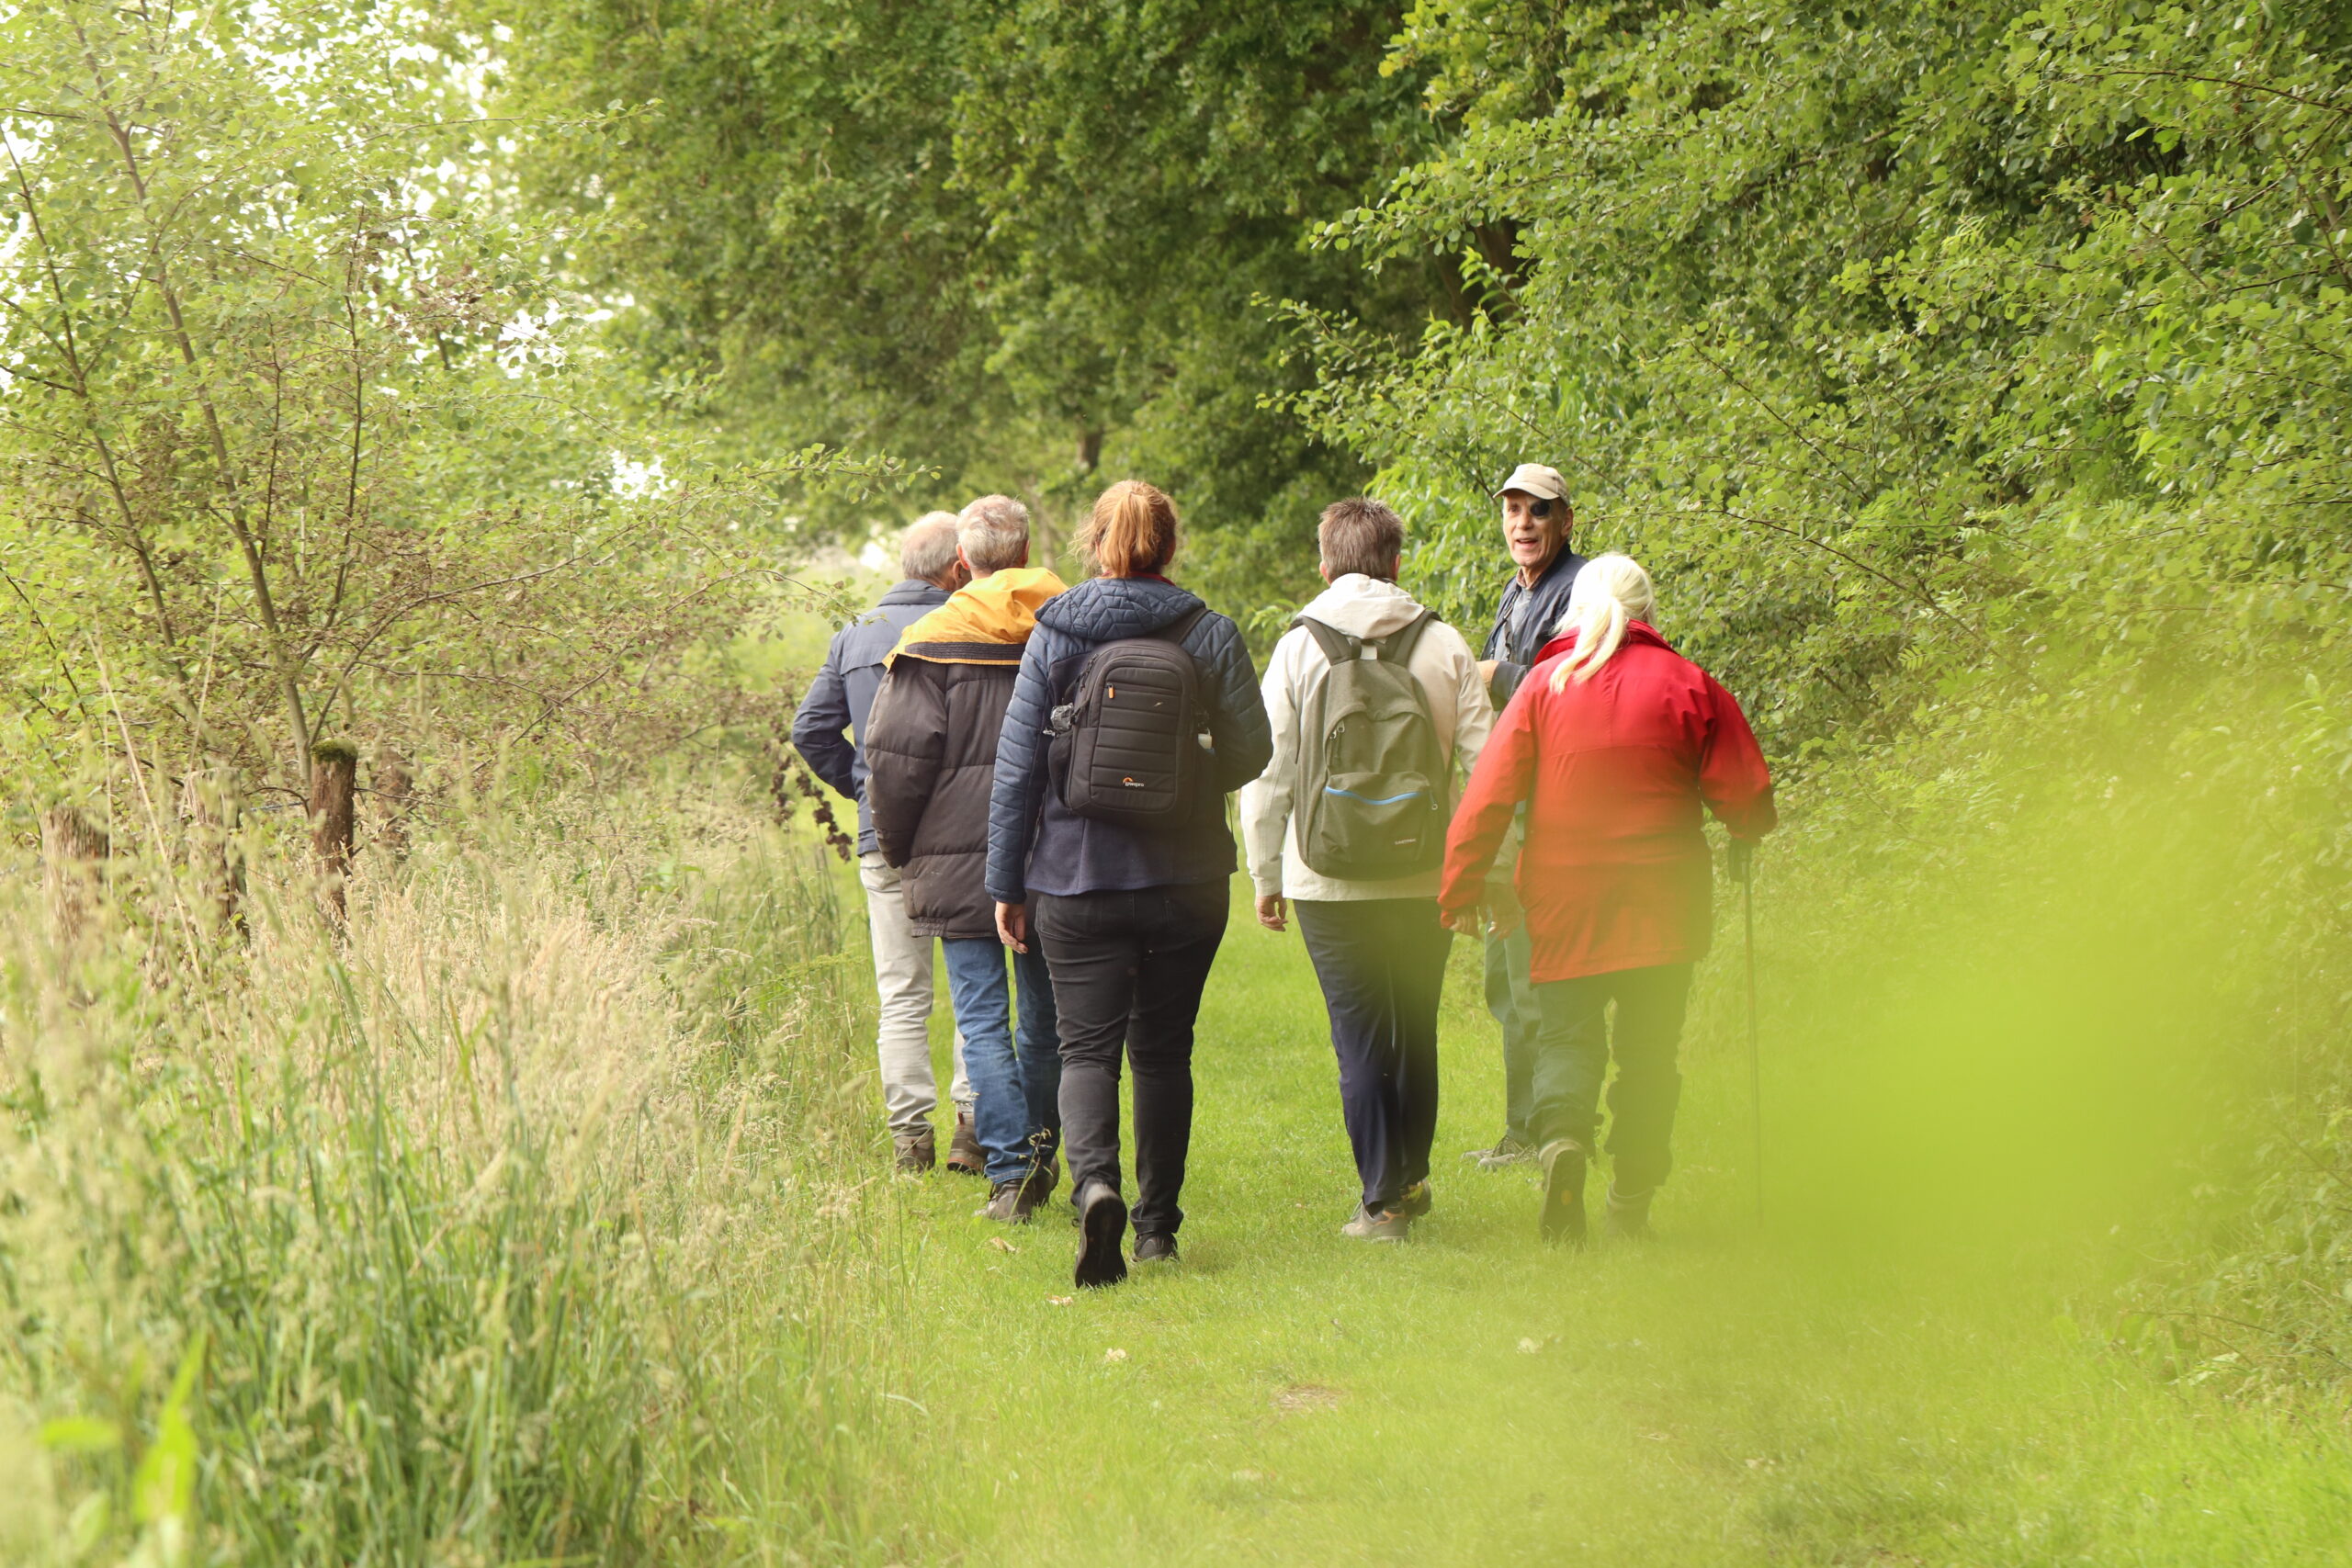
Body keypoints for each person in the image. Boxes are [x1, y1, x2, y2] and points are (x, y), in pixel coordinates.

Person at [1439, 555, 1776, 1246]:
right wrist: (1748, 829)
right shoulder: (1691, 684)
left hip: (1565, 900)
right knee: (1652, 1054)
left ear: (1576, 611)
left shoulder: (1543, 685)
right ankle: (1631, 1199)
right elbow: (1745, 795)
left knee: (1566, 1035)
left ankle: (1562, 1141)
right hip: (1665, 903)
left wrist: (1460, 886)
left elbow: (1488, 796)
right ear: (1648, 611)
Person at [988, 479, 1272, 1288]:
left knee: (1086, 1048)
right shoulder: (1208, 630)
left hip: (1075, 879)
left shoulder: (1054, 632)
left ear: (1096, 541)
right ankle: (1155, 1231)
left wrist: (1005, 880)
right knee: (1163, 1051)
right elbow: (1254, 751)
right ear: (1170, 546)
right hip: (1184, 875)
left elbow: (1016, 773)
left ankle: (1096, 1186)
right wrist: (1187, 774)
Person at [1239, 498, 1493, 1243]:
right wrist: (1484, 870)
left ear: (1324, 565)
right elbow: (1485, 768)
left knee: (1358, 1033)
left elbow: (1268, 771)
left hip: (1328, 876)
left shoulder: (1298, 648)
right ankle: (1409, 1178)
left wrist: (1265, 871)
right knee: (1414, 1024)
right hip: (1426, 873)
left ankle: (1382, 1200)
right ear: (1396, 562)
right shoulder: (1444, 643)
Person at [865, 497, 1068, 1223]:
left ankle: (1010, 1175)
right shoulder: (1066, 620)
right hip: (1053, 853)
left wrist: (898, 850)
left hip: (955, 861)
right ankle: (1042, 1155)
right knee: (1043, 1018)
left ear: (965, 561)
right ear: (1025, 551)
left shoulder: (930, 638)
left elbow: (894, 763)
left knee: (981, 1018)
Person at [791, 513, 979, 1174]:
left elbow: (809, 729)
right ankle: (972, 1126)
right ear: (958, 566)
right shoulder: (970, 627)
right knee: (972, 986)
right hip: (964, 836)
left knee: (903, 992)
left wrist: (864, 789)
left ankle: (910, 1141)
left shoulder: (855, 634)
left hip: (885, 840)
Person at [1465, 462, 1590, 1171]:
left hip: (1551, 818)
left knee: (1532, 980)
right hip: (1508, 815)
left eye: (1537, 511)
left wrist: (1493, 676)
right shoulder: (1517, 592)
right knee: (1503, 981)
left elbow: (1575, 686)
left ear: (1565, 520)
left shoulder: (1579, 591)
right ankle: (1523, 1130)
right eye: (1513, 510)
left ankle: (1548, 1133)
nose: (1522, 524)